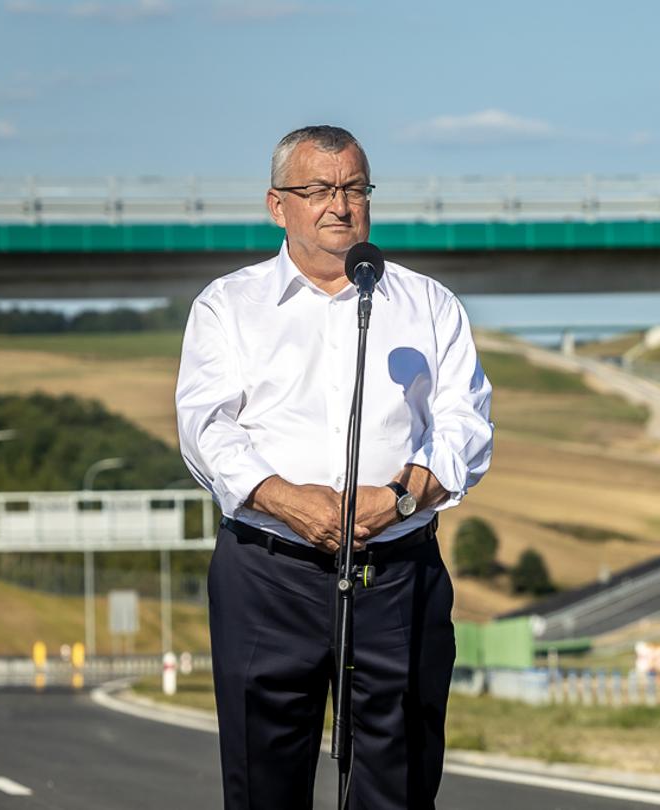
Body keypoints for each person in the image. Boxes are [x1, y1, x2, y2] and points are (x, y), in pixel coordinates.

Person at [176, 124, 494, 810]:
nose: (340, 206)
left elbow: (465, 425)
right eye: (319, 189)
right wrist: (283, 497)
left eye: (354, 188)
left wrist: (401, 497)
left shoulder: (428, 304)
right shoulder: (227, 306)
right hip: (268, 573)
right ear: (277, 205)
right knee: (263, 786)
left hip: (396, 571)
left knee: (399, 785)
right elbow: (206, 427)